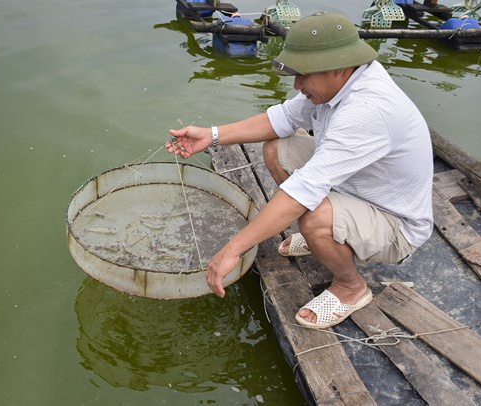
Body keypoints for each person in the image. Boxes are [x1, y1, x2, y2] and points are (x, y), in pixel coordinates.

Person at [166, 12, 433, 329]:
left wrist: (232, 250)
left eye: (303, 75)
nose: (296, 84)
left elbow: (302, 191)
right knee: (277, 147)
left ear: (338, 67)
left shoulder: (367, 111)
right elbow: (281, 120)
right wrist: (210, 136)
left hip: (394, 224)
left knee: (312, 214)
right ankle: (329, 234)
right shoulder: (343, 81)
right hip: (358, 190)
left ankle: (351, 288)